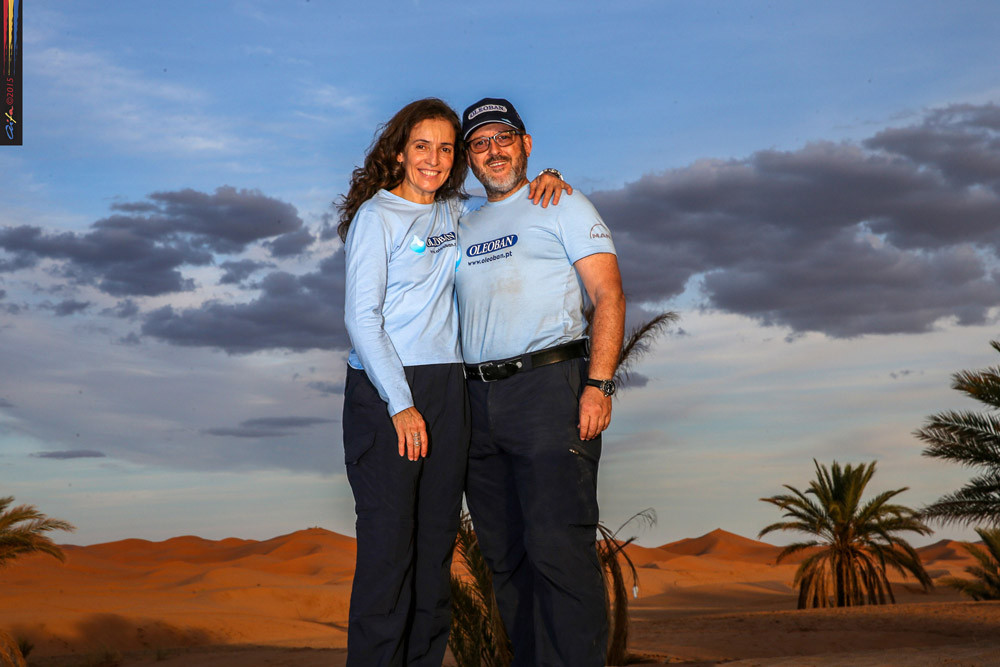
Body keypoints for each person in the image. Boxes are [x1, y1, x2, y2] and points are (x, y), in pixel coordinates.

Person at [338, 97, 570, 667]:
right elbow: (361, 318)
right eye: (422, 146)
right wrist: (400, 404)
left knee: (434, 556)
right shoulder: (377, 216)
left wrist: (548, 179)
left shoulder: (454, 212)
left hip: (448, 391)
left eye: (446, 149)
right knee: (388, 559)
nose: (434, 159)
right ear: (398, 152)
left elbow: (503, 201)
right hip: (387, 393)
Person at [454, 97, 626, 666]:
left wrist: (598, 385)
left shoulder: (561, 202)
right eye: (480, 143)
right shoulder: (459, 223)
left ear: (526, 145)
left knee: (560, 551)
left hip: (549, 388)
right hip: (478, 402)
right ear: (468, 158)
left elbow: (608, 295)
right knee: (505, 558)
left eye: (504, 138)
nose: (493, 151)